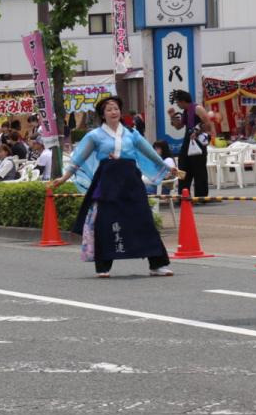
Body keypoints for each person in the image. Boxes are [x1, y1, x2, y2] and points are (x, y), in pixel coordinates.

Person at [50, 95, 181, 278]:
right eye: (109, 109)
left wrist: (167, 167)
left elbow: (150, 153)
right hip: (108, 182)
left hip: (131, 181)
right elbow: (78, 159)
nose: (114, 112)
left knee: (144, 220)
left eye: (116, 108)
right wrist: (64, 178)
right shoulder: (95, 136)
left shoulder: (132, 134)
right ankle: (103, 266)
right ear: (102, 114)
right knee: (106, 222)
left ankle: (157, 264)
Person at [167, 89, 213, 200]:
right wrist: (172, 116)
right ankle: (183, 195)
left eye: (178, 102)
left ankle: (201, 197)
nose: (177, 104)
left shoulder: (198, 108)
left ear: (183, 101)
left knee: (199, 170)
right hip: (187, 142)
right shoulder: (186, 111)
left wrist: (197, 132)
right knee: (182, 168)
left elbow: (208, 125)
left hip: (198, 142)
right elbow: (179, 126)